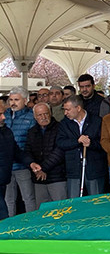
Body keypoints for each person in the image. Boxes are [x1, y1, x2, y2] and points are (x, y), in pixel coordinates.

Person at [57, 95, 107, 197]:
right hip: (73, 168)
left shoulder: (96, 121)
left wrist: (91, 144)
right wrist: (77, 141)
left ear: (78, 108)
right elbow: (60, 142)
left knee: (96, 199)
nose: (65, 113)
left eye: (68, 110)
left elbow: (103, 143)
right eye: (64, 110)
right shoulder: (64, 123)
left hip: (94, 168)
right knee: (74, 200)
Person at [3, 87, 36, 216]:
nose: (13, 103)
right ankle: (9, 225)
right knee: (8, 199)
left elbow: (33, 142)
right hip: (6, 165)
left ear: (25, 100)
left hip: (23, 165)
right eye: (11, 100)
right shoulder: (4, 116)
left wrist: (29, 160)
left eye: (16, 100)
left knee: (28, 197)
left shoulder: (31, 116)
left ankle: (31, 224)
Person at [26, 103, 67, 206]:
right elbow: (28, 151)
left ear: (51, 113)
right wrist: (35, 168)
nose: (43, 117)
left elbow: (59, 152)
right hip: (38, 179)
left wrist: (43, 168)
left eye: (46, 114)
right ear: (35, 117)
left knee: (61, 208)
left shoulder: (60, 128)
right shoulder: (32, 132)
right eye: (39, 115)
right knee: (42, 210)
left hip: (57, 177)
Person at [0, 108, 33, 219]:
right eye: (0, 114)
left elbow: (16, 151)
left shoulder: (6, 131)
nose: (4, 117)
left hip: (3, 180)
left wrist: (31, 163)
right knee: (3, 215)